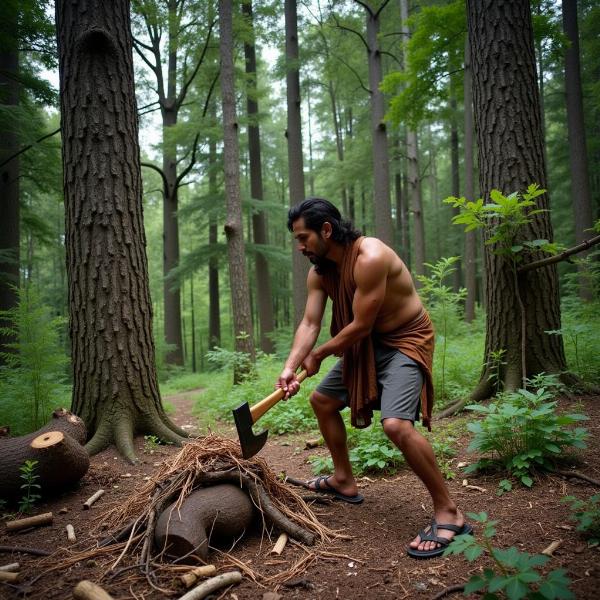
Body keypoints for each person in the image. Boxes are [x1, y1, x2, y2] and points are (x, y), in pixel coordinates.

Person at [277, 197, 471, 559]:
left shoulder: (370, 257)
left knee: (397, 425)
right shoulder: (319, 271)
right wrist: (291, 365)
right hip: (364, 344)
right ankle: (343, 480)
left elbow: (361, 324)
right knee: (322, 402)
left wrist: (318, 355)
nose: (300, 246)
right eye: (296, 240)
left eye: (303, 238)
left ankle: (449, 511)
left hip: (404, 340)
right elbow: (310, 322)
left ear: (327, 230)